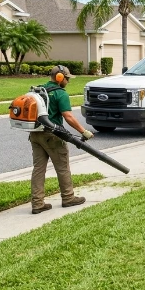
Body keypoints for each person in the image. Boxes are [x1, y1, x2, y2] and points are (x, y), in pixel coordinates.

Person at [30, 65, 94, 214]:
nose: (68, 81)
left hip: (35, 133)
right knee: (62, 167)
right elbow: (68, 116)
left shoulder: (39, 90)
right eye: (67, 78)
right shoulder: (60, 94)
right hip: (52, 135)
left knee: (38, 169)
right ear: (60, 78)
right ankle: (68, 197)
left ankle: (37, 203)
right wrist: (83, 131)